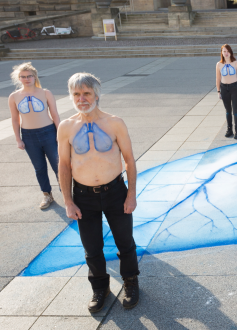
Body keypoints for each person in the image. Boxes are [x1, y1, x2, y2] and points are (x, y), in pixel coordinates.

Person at [57, 73, 140, 313]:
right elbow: (64, 164)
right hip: (83, 196)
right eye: (76, 94)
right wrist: (68, 201)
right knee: (91, 246)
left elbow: (129, 160)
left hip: (115, 191)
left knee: (125, 241)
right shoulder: (66, 126)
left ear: (96, 94)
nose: (81, 99)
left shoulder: (115, 122)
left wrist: (131, 194)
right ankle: (99, 287)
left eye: (86, 93)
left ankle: (131, 282)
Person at [8, 62, 60, 209]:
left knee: (58, 165)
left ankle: (68, 193)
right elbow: (14, 119)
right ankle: (47, 194)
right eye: (23, 77)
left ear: (35, 76)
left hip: (49, 132)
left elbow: (55, 114)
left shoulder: (45, 93)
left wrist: (60, 133)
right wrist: (18, 139)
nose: (26, 79)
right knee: (39, 168)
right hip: (29, 136)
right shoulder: (14, 96)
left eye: (29, 76)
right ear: (19, 79)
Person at [216, 44, 237, 139]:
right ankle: (229, 130)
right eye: (224, 51)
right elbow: (218, 78)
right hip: (224, 88)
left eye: (227, 51)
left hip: (235, 88)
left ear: (230, 52)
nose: (226, 53)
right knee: (228, 111)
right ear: (222, 53)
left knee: (235, 111)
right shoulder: (219, 64)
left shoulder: (236, 63)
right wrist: (218, 91)